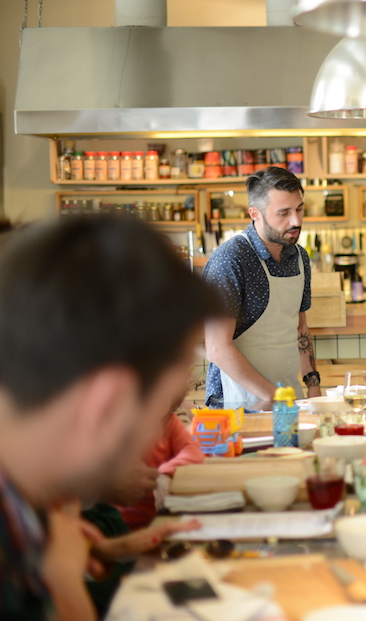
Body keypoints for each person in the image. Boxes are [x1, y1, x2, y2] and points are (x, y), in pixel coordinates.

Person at [0, 215, 221, 620]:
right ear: (106, 404)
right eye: (156, 409)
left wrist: (91, 548)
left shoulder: (27, 510)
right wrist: (65, 589)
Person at [203, 167, 322, 410]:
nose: (296, 221)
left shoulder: (299, 257)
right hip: (239, 405)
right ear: (254, 213)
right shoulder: (231, 259)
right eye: (284, 213)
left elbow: (300, 327)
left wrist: (313, 383)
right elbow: (217, 348)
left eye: (299, 209)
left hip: (288, 399)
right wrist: (274, 396)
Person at [115, 394, 206, 530]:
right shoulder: (116, 429)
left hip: (167, 513)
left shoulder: (170, 422)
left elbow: (193, 451)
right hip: (124, 521)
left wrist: (164, 474)